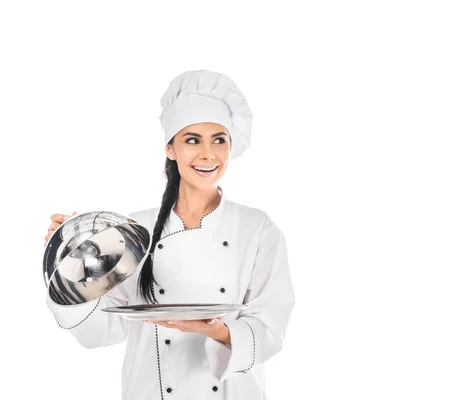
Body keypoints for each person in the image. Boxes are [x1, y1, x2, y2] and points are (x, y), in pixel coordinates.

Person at [43, 70, 295, 399]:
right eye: (192, 140)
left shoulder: (257, 228)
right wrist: (72, 263)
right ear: (171, 149)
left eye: (219, 139)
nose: (209, 154)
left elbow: (271, 326)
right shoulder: (134, 231)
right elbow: (100, 329)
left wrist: (219, 331)